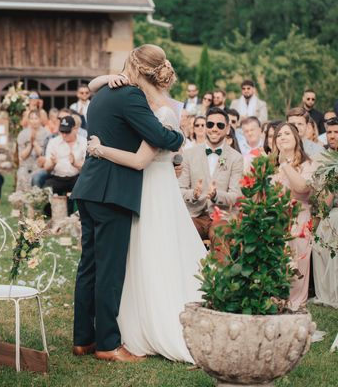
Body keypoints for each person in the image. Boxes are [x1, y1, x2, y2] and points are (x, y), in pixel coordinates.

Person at [83, 49, 204, 363]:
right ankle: (107, 341)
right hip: (122, 190)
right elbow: (152, 145)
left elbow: (145, 155)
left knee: (97, 266)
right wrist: (179, 140)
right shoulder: (131, 97)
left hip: (111, 188)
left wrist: (99, 149)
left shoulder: (109, 97)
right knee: (114, 265)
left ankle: (86, 338)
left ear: (135, 67)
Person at [179, 107, 244, 241]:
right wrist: (194, 194)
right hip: (195, 215)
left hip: (223, 217)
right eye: (210, 124)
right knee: (183, 232)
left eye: (219, 125)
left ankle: (219, 263)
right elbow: (180, 190)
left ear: (227, 129)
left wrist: (216, 195)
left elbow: (236, 196)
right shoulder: (189, 155)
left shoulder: (236, 158)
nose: (214, 128)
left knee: (219, 234)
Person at [271, 122, 315, 311]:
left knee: (298, 265)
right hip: (276, 219)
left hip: (299, 219)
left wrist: (285, 165)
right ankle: (276, 300)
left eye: (287, 133)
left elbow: (302, 188)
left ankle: (296, 304)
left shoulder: (308, 164)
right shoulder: (270, 165)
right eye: (278, 135)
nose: (282, 137)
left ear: (296, 138)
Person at [312, 117, 338, 308]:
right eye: (329, 132)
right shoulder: (321, 158)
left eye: (336, 132)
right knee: (324, 232)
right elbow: (321, 198)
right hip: (329, 210)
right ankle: (328, 292)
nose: (332, 136)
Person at [43, 115, 86, 197]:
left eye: (67, 132)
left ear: (75, 129)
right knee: (46, 191)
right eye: (62, 131)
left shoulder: (83, 142)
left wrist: (75, 163)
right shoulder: (53, 142)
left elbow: (88, 167)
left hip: (76, 178)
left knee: (85, 186)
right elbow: (46, 167)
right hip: (57, 178)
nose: (64, 135)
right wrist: (52, 163)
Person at [16, 110, 48, 192]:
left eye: (36, 118)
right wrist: (30, 144)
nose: (34, 121)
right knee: (21, 174)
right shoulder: (23, 134)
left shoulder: (46, 134)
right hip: (26, 164)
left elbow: (44, 154)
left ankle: (37, 200)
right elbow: (22, 156)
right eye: (32, 118)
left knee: (36, 176)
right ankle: (22, 201)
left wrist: (35, 143)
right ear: (29, 120)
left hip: (40, 166)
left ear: (40, 119)